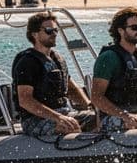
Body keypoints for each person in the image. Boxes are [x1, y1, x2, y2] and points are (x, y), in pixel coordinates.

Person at [11, 12, 95, 140]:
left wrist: (90, 105)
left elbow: (71, 89)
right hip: (35, 120)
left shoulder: (57, 59)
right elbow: (25, 100)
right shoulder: (27, 62)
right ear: (34, 34)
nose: (54, 34)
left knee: (98, 119)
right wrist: (58, 117)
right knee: (68, 126)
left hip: (64, 113)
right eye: (49, 30)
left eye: (56, 30)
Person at [91, 6, 137, 132]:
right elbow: (97, 97)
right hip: (113, 115)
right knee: (134, 123)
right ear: (121, 31)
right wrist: (124, 115)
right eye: (135, 27)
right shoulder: (108, 58)